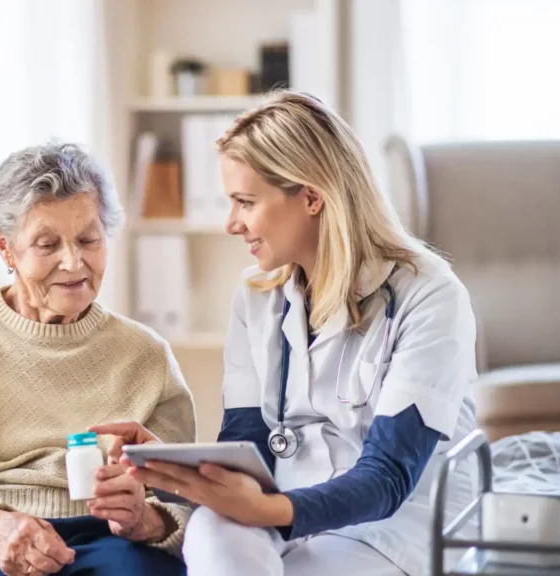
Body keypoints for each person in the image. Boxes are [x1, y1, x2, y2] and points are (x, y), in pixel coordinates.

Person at [98, 91, 478, 576]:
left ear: (312, 197)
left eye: (245, 203)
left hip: (388, 531)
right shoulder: (258, 293)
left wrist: (267, 512)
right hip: (280, 516)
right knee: (211, 530)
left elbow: (387, 479)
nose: (232, 224)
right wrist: (170, 469)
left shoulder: (429, 295)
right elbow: (248, 447)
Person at [0, 142, 196, 576]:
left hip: (106, 537)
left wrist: (145, 520)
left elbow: (186, 505)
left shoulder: (146, 354)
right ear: (5, 249)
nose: (73, 262)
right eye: (47, 244)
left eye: (88, 240)